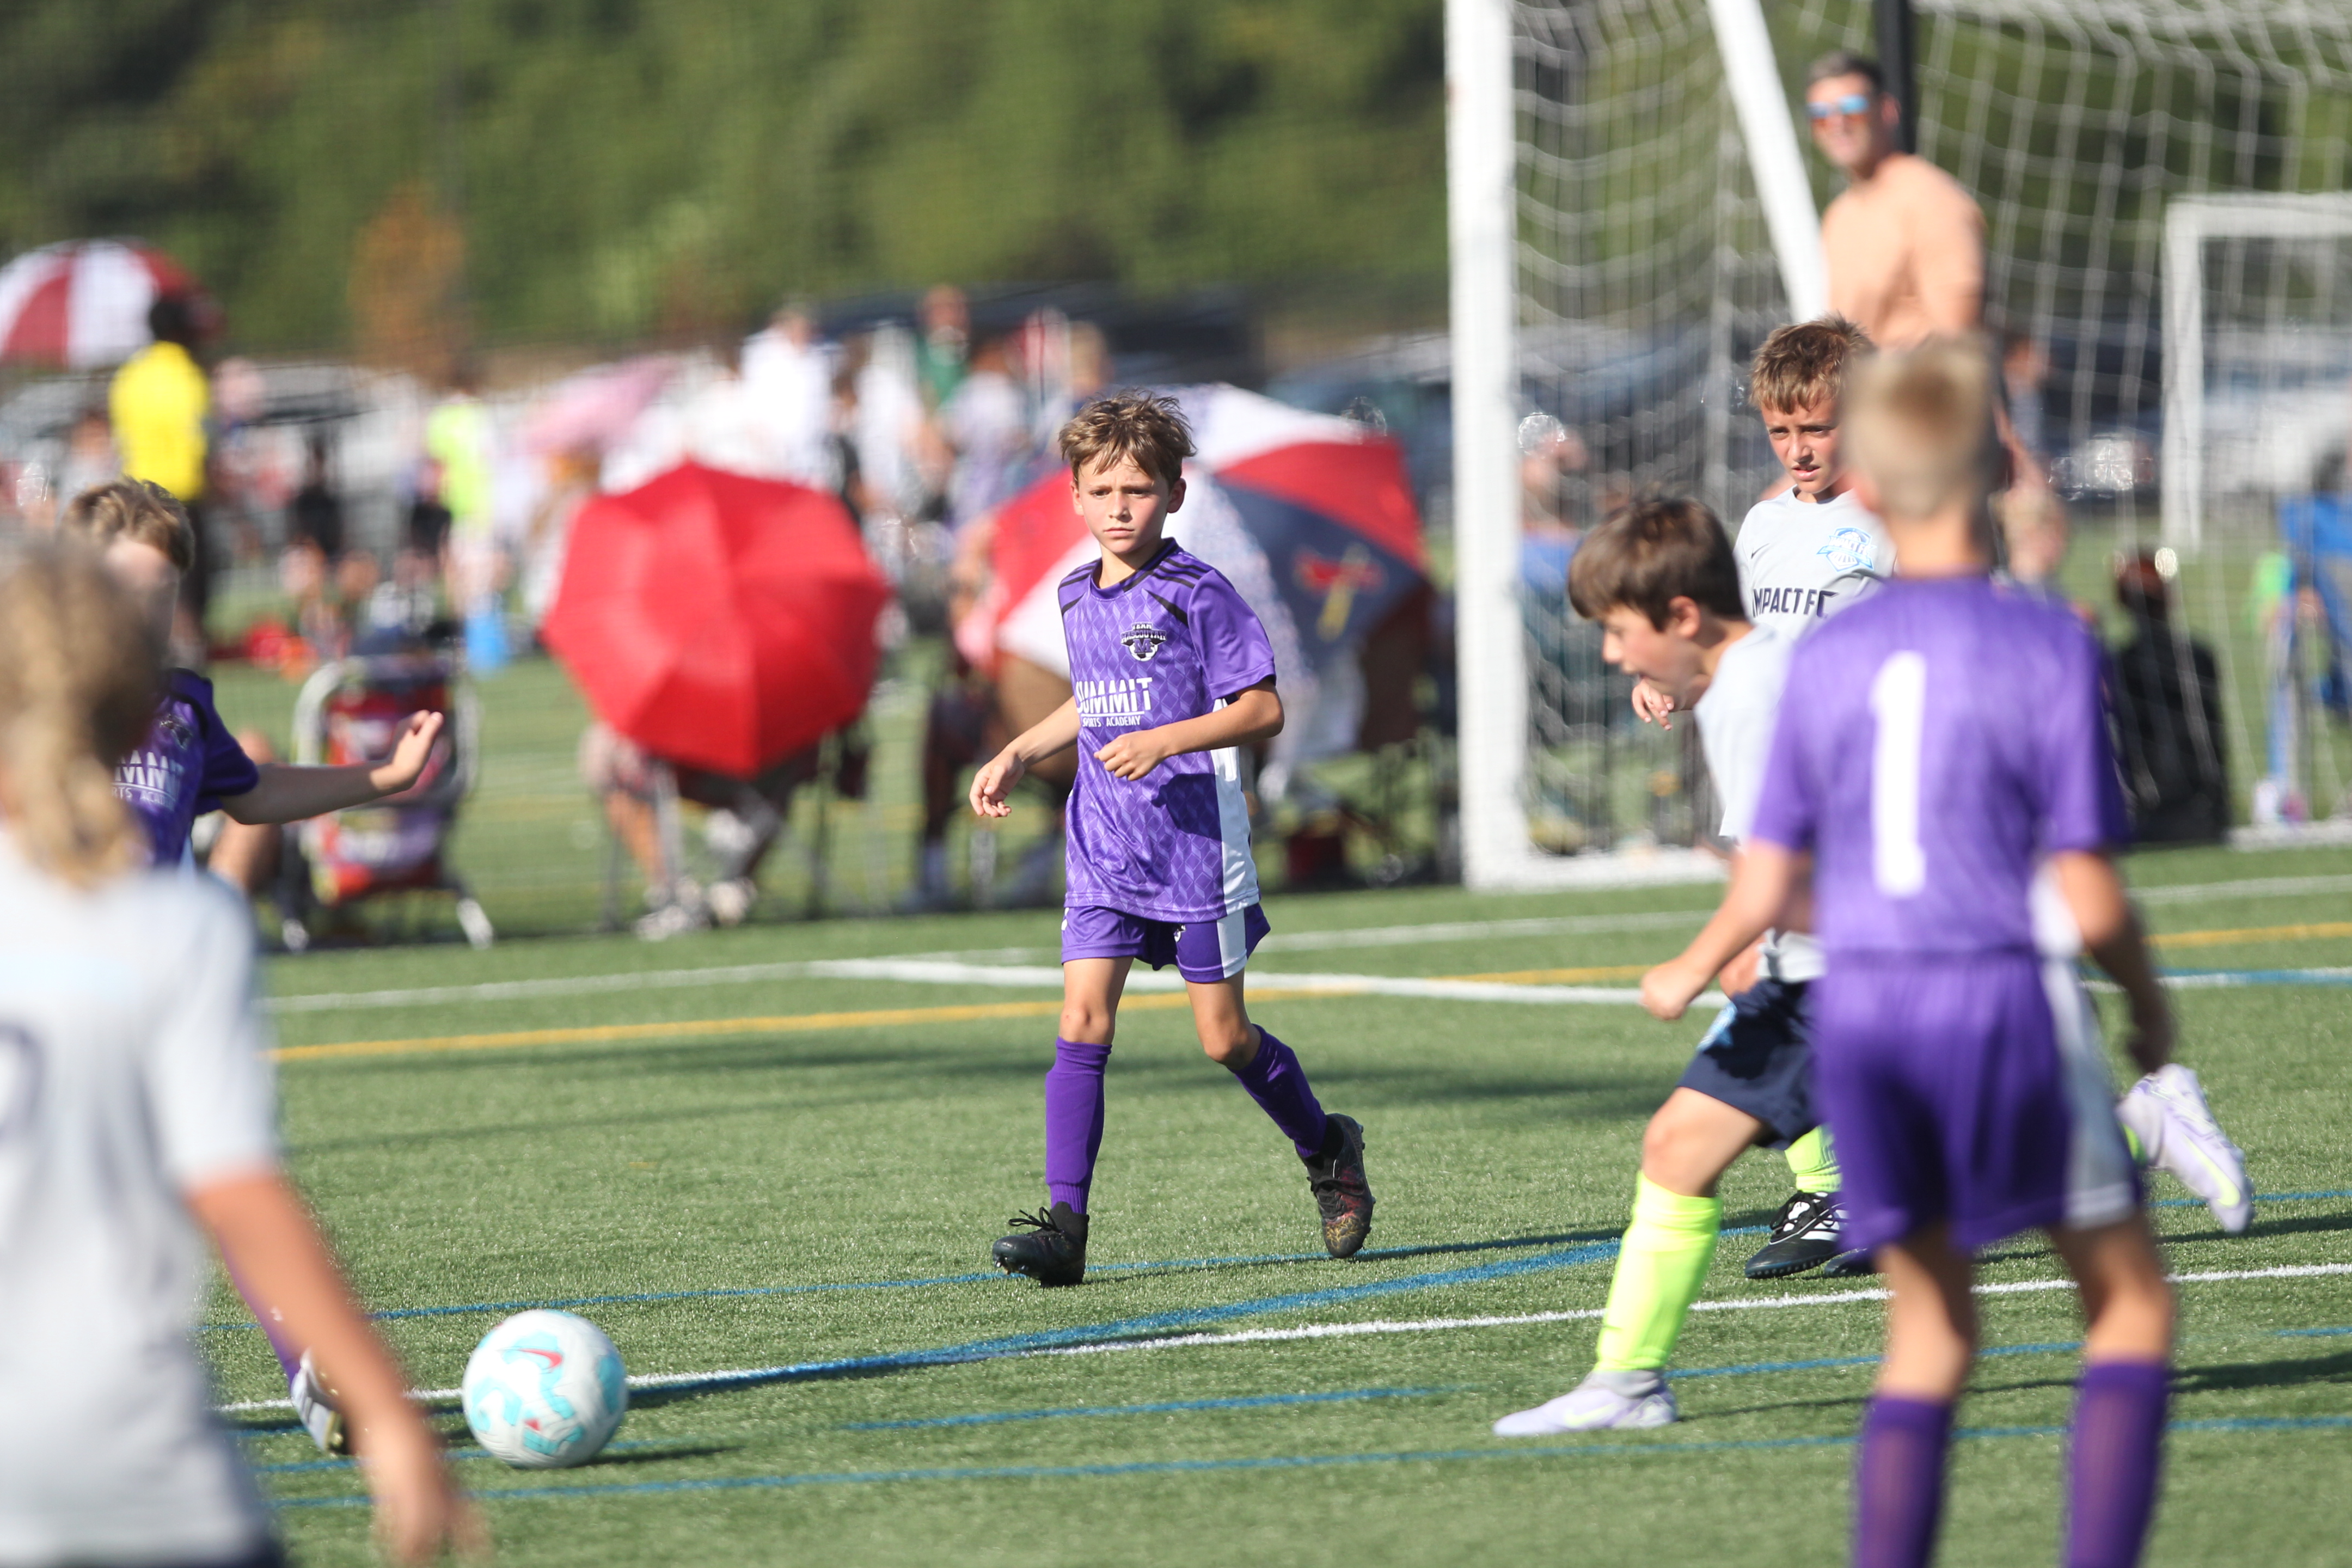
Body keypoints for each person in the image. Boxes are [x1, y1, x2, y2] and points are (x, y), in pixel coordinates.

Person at [1640, 341, 2176, 1568]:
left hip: (1866, 1019)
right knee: (2130, 1307)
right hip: (1998, 1001)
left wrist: (1697, 963)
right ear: (1994, 473)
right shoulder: (2045, 645)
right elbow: (2088, 891)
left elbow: (1769, 872)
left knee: (1929, 1335)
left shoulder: (1822, 658)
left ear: (1871, 481)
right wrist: (2149, 1012)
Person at [0, 540, 479, 1567]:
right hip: (133, 1454)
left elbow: (253, 790)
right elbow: (241, 1198)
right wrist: (391, 1415)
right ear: (140, 718)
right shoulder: (182, 929)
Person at [970, 392, 1373, 1285]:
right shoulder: (1075, 594)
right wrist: (1020, 749)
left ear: (1175, 495)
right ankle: (1065, 1229)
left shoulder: (1199, 591)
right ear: (1075, 496)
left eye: (1140, 489)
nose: (1120, 507)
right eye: (1102, 490)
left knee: (1223, 1039)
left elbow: (1261, 709)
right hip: (1105, 844)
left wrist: (1166, 740)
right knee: (1082, 1021)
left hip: (1195, 847)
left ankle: (1327, 1147)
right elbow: (1095, 702)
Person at [1493, 497, 1857, 1438]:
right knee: (1677, 1149)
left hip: (1852, 977)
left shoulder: (1753, 694)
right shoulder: (1749, 675)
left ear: (1683, 616)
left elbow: (1773, 877)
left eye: (1621, 632)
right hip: (1837, 967)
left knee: (2010, 1154)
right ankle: (1628, 1383)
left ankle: (2137, 1124)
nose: (1614, 656)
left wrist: (1692, 966)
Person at [1636, 316, 1885, 1277]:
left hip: (1853, 790)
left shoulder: (1893, 523)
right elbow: (1729, 642)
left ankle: (1849, 1186)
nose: (1800, 449)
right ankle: (1845, 1186)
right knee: (1766, 979)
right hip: (1767, 780)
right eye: (1783, 432)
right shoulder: (1766, 523)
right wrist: (1668, 678)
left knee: (1776, 978)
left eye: (1818, 428)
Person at [1806, 52, 1985, 349]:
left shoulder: (1931, 200)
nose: (1837, 123)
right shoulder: (1839, 215)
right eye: (1821, 114)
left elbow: (1957, 343)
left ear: (1887, 110)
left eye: (1852, 108)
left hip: (1920, 380)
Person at [109, 294, 215, 647]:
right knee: (189, 585)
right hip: (182, 496)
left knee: (146, 585)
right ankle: (190, 648)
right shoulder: (188, 375)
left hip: (137, 496)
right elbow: (200, 439)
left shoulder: (130, 375)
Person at [2109, 550, 2231, 846]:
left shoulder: (2119, 663)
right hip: (2207, 816)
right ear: (2169, 597)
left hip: (2145, 818)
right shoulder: (2200, 657)